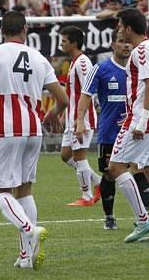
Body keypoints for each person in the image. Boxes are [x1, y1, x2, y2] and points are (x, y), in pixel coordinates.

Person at [0, 11, 69, 269]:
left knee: (0, 192)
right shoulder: (39, 58)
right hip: (33, 130)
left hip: (6, 130)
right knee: (24, 190)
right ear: (24, 30)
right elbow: (62, 99)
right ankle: (25, 256)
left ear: (1, 31)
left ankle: (30, 229)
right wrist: (53, 114)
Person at [108, 8, 149, 243]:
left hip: (142, 121)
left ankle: (144, 221)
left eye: (119, 24)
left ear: (127, 28)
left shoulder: (142, 50)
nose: (118, 28)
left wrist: (140, 121)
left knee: (115, 168)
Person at [76, 31, 132, 229]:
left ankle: (144, 217)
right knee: (109, 174)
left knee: (142, 171)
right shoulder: (101, 68)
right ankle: (109, 216)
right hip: (110, 131)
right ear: (113, 44)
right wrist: (80, 121)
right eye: (121, 41)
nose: (126, 45)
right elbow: (86, 95)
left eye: (128, 42)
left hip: (135, 130)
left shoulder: (140, 67)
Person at [59, 26, 102, 206]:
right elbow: (73, 93)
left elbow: (88, 91)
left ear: (74, 43)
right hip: (72, 117)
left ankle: (86, 197)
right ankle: (99, 182)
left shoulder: (83, 62)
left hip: (82, 118)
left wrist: (80, 120)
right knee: (65, 154)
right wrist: (64, 114)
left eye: (64, 41)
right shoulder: (74, 62)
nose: (61, 44)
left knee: (79, 156)